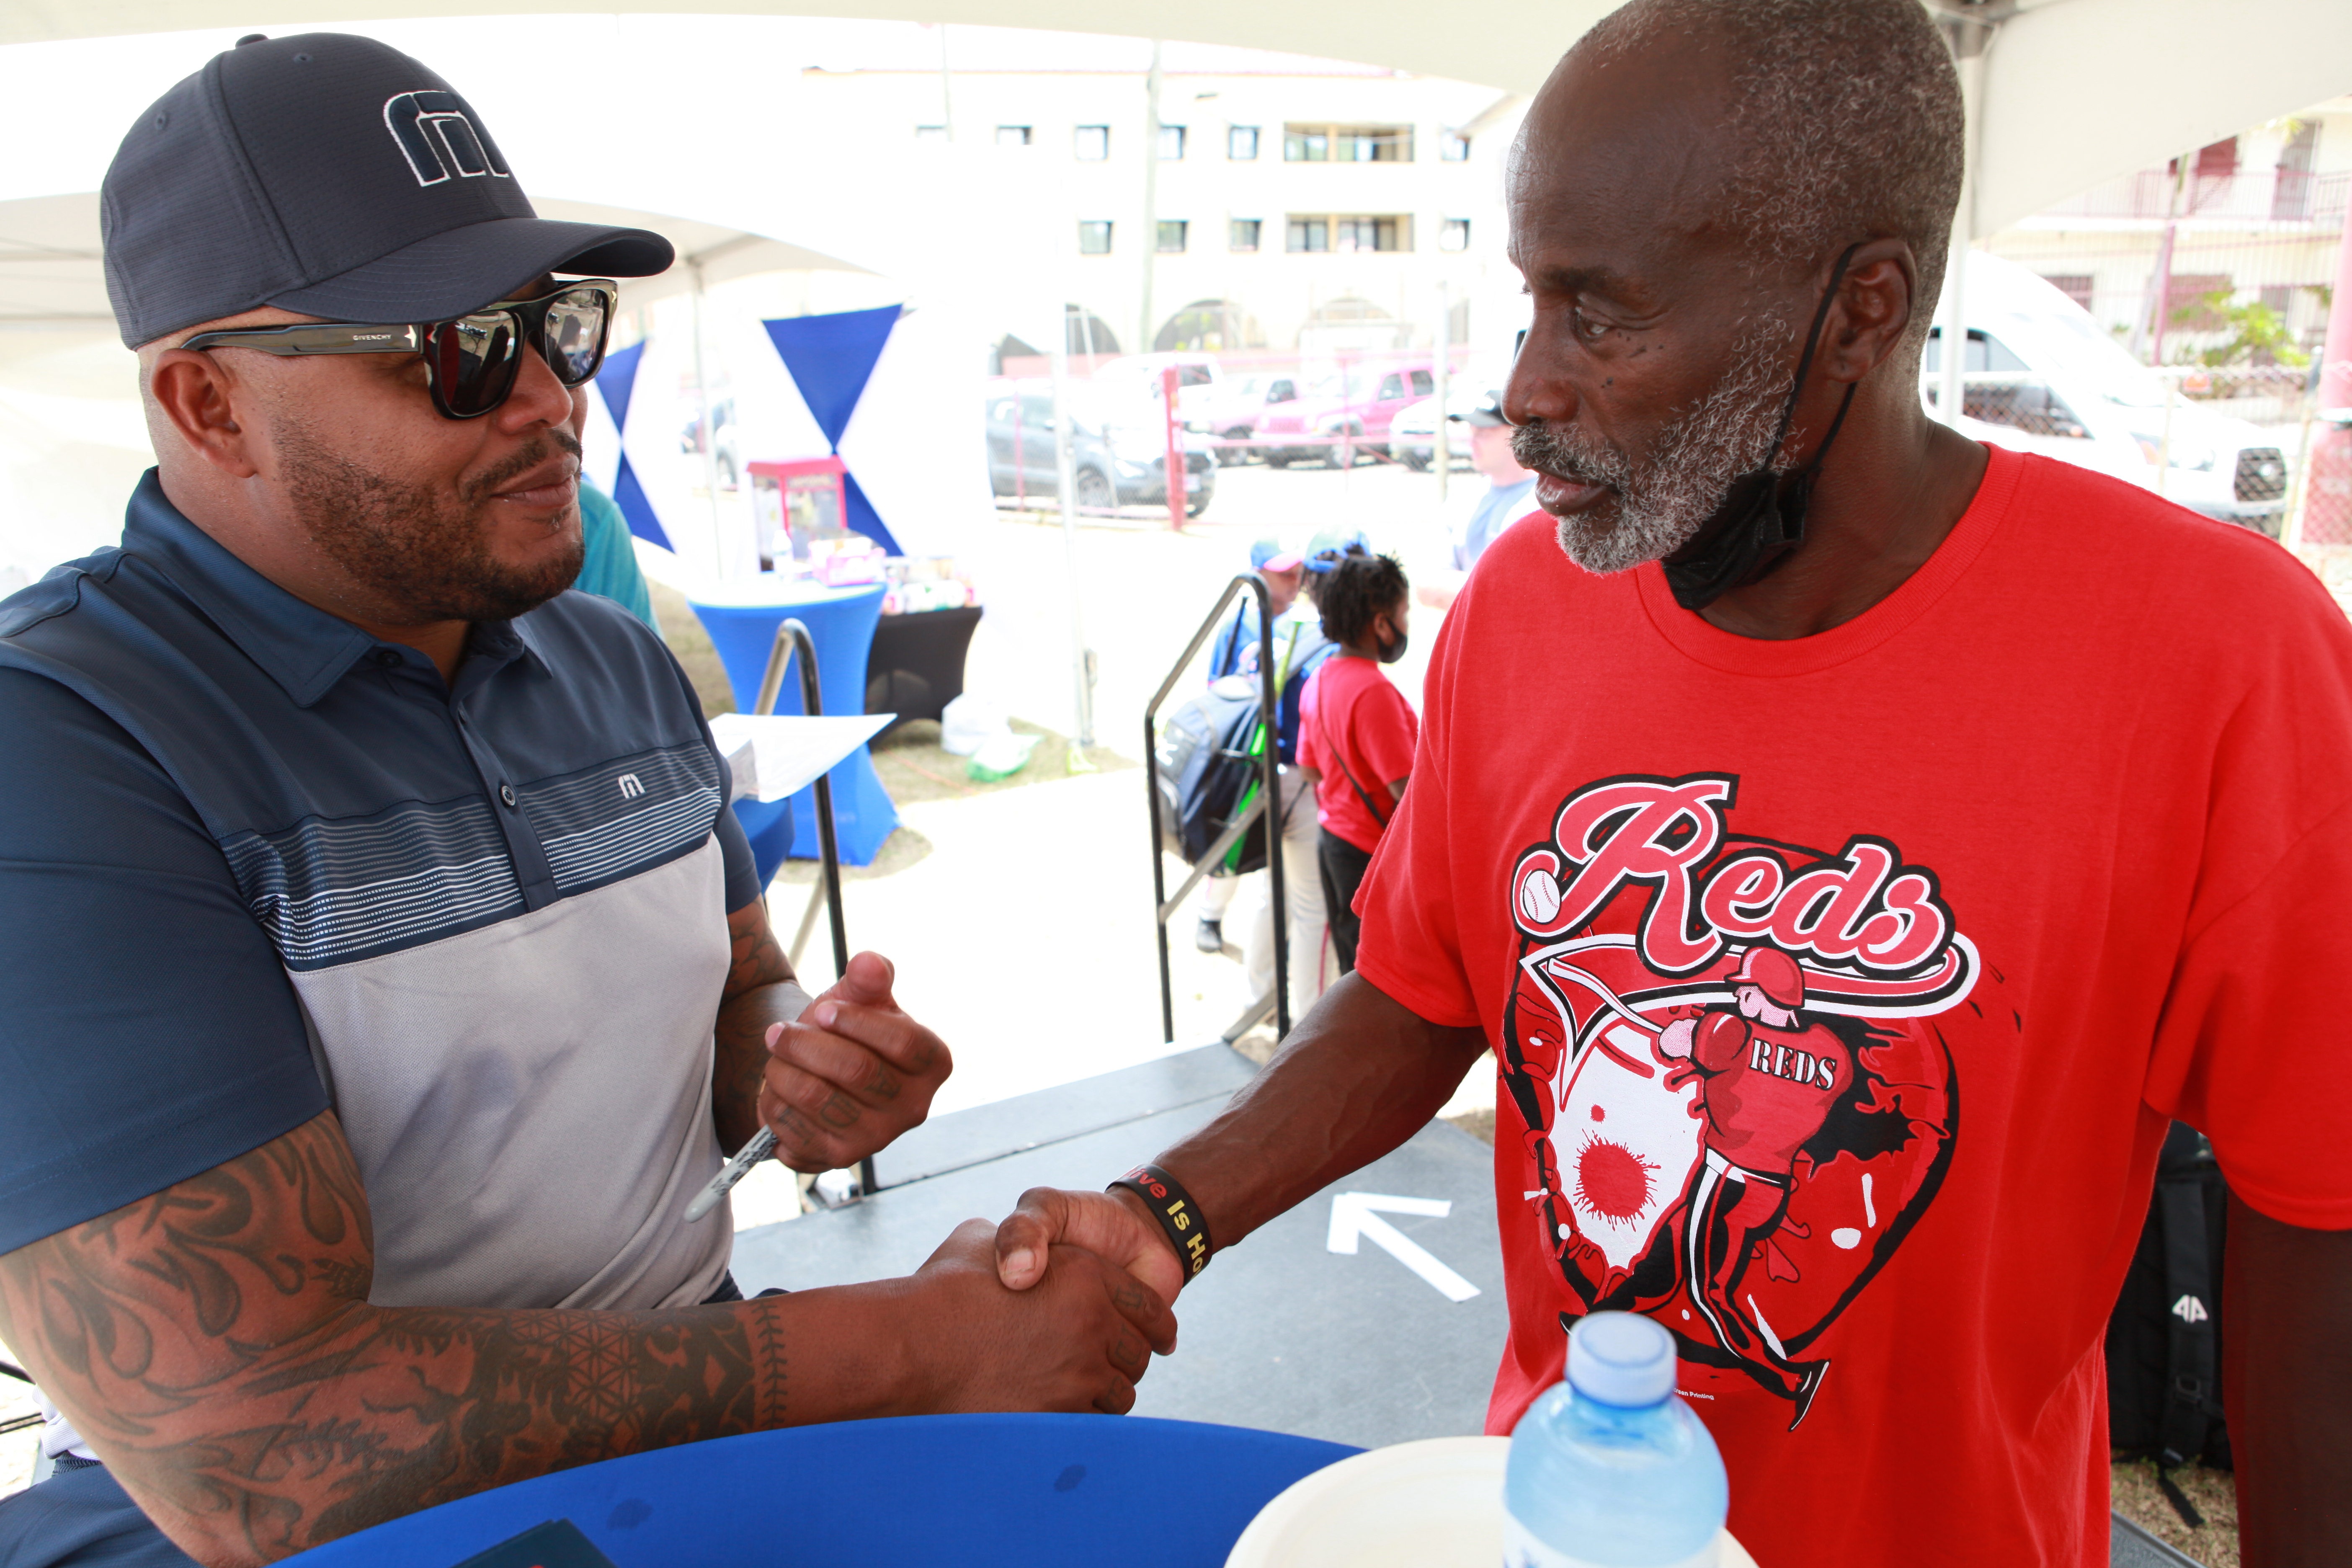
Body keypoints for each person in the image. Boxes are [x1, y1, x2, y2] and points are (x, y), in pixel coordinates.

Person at [989, 2, 2352, 1564]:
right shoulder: (1522, 602)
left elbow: (2315, 1211)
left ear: (1863, 308)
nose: (1526, 389)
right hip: (1559, 1523)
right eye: (1527, 304)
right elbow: (1426, 986)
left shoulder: (2215, 653)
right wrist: (1162, 1217)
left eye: (1600, 313)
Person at [0, 35, 1168, 1568]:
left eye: (554, 325)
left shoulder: (609, 658)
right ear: (209, 405)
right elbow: (256, 1442)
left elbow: (738, 994)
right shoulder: (66, 746)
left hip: (689, 1455)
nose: (550, 398)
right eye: (457, 348)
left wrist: (799, 1067)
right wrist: (917, 1348)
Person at [1191, 532, 1349, 1016]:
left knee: (1271, 895)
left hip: (1259, 777)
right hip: (1296, 782)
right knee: (1311, 910)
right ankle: (1308, 1023)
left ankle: (1258, 1002)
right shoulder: (1321, 643)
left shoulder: (1274, 627)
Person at [1293, 551, 1416, 975]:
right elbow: (1407, 792)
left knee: (1353, 968)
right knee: (1384, 976)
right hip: (1372, 855)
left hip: (1334, 844)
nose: (1405, 624)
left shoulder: (1320, 678)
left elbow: (1309, 768)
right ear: (1381, 623)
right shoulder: (1373, 692)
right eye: (1403, 613)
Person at [1416, 390, 1538, 612]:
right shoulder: (1463, 500)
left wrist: (1461, 587)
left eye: (1483, 433)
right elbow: (1426, 586)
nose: (1472, 442)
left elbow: (1534, 597)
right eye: (1471, 432)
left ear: (1518, 434)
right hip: (1468, 642)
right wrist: (1499, 594)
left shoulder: (1545, 504)